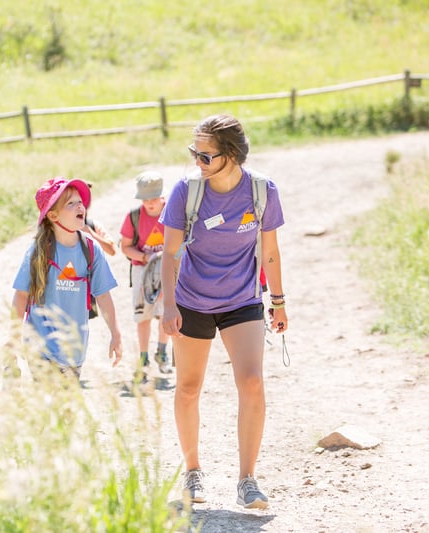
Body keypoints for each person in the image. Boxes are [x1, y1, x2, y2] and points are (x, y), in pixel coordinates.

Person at [159, 114, 288, 509]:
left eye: (206, 155)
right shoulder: (187, 191)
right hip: (191, 300)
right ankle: (192, 471)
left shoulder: (262, 192)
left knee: (251, 382)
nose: (197, 161)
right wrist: (167, 306)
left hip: (242, 299)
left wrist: (278, 301)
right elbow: (170, 252)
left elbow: (269, 250)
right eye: (194, 153)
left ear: (231, 154)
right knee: (189, 387)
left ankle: (247, 479)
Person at [11, 177, 123, 378]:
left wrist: (115, 333)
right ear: (53, 216)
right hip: (40, 344)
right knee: (51, 402)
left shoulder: (91, 249)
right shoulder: (39, 251)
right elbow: (21, 295)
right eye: (70, 203)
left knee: (65, 408)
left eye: (80, 201)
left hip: (74, 349)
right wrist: (13, 337)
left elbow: (103, 295)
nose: (80, 205)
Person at [120, 170, 171, 376]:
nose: (149, 203)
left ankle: (162, 352)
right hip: (142, 269)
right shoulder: (134, 216)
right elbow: (125, 247)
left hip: (167, 269)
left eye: (153, 198)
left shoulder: (172, 212)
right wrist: (146, 258)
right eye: (144, 199)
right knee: (143, 315)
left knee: (165, 313)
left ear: (162, 196)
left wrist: (165, 258)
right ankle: (143, 358)